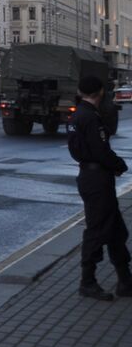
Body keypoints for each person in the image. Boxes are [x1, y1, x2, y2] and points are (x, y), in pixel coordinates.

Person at [67, 73, 131, 300]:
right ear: (100, 93)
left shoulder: (77, 116)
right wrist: (119, 164)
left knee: (115, 231)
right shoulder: (91, 117)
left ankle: (125, 281)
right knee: (96, 231)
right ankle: (88, 282)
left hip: (89, 176)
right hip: (97, 180)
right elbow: (100, 150)